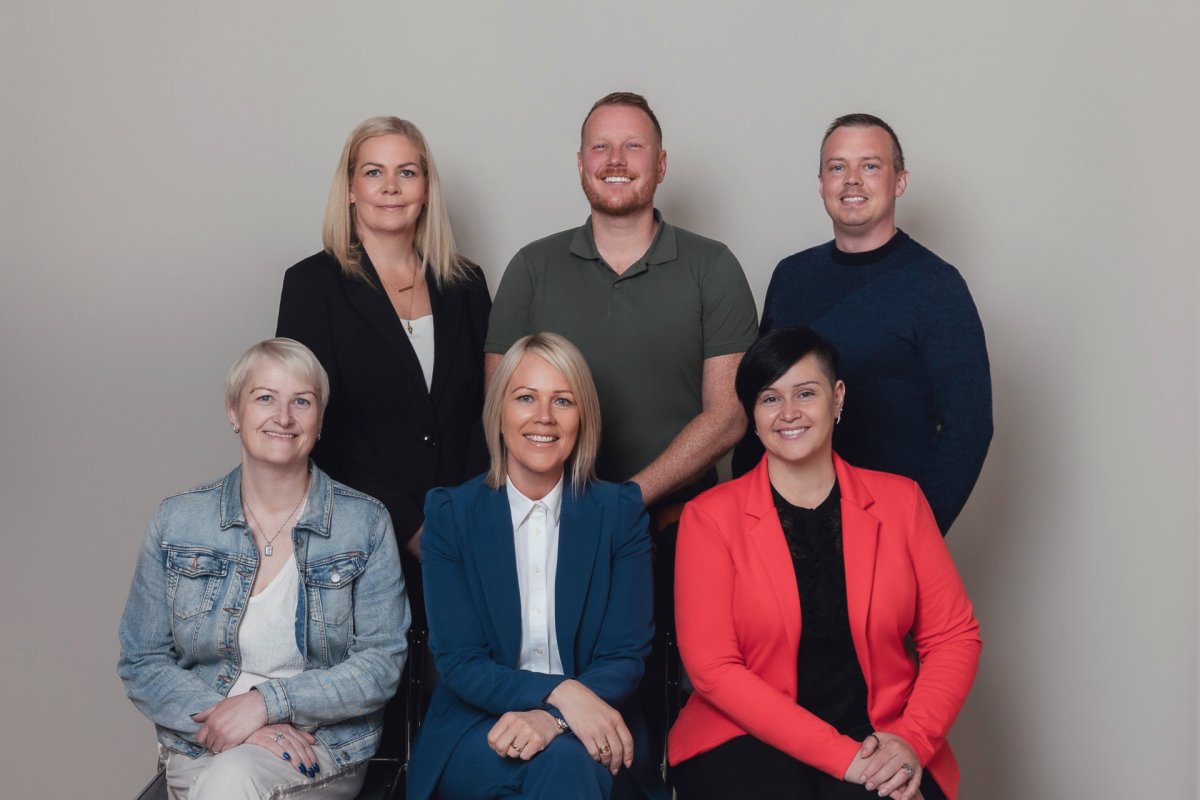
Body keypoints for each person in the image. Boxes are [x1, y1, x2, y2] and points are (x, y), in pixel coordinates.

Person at [484, 92, 759, 758]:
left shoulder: (712, 266)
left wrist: (629, 500)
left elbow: (729, 414)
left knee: (690, 706)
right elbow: (501, 406)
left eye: (633, 146)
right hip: (552, 529)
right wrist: (583, 513)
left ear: (660, 164)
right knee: (561, 704)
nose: (616, 160)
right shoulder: (532, 268)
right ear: (580, 162)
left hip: (681, 528)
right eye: (601, 146)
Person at [670, 327, 981, 800]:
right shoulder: (708, 518)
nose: (788, 412)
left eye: (805, 393)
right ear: (752, 414)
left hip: (879, 734)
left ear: (837, 397)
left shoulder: (902, 503)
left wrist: (911, 740)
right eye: (770, 398)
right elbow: (713, 668)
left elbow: (952, 637)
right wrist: (845, 760)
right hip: (743, 737)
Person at [118, 338, 410, 800]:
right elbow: (142, 659)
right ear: (234, 411)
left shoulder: (364, 524)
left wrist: (266, 705)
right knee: (225, 778)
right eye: (265, 398)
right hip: (200, 745)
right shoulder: (178, 521)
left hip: (316, 748)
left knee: (233, 781)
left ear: (320, 420)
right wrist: (233, 721)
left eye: (302, 401)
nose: (284, 417)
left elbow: (380, 664)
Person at [408, 333, 665, 800]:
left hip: (594, 719)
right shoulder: (451, 515)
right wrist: (561, 694)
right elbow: (460, 661)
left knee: (565, 761)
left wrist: (554, 720)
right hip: (476, 726)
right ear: (498, 412)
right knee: (566, 767)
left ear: (582, 417)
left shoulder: (619, 513)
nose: (544, 416)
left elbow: (625, 655)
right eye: (526, 397)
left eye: (562, 400)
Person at [276, 116, 491, 625]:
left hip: (464, 532)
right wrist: (412, 526)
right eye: (374, 172)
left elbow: (490, 405)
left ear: (426, 188)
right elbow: (311, 423)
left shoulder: (467, 283)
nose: (391, 187)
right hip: (357, 538)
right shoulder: (312, 285)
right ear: (350, 190)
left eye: (407, 172)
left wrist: (462, 516)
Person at [741, 113, 992, 534]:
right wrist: (748, 518)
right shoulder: (791, 276)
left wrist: (915, 534)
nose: (852, 180)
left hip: (885, 527)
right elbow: (761, 399)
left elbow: (969, 427)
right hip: (785, 526)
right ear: (821, 183)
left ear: (900, 181)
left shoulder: (936, 286)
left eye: (870, 166)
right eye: (837, 167)